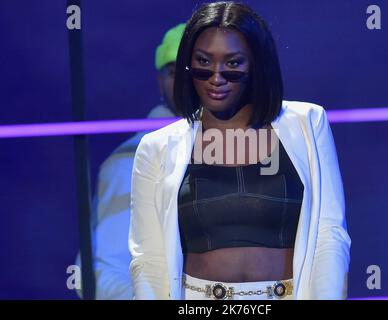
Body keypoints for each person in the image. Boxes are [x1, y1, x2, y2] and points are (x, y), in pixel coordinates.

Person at [129, 2, 350, 300]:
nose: (216, 76)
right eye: (203, 62)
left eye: (233, 63)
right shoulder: (156, 148)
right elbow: (149, 259)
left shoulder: (307, 124)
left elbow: (329, 235)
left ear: (257, 65)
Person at [76, 23, 185, 300]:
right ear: (160, 80)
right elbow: (98, 270)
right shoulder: (133, 160)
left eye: (196, 70)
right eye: (175, 72)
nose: (187, 82)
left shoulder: (249, 149)